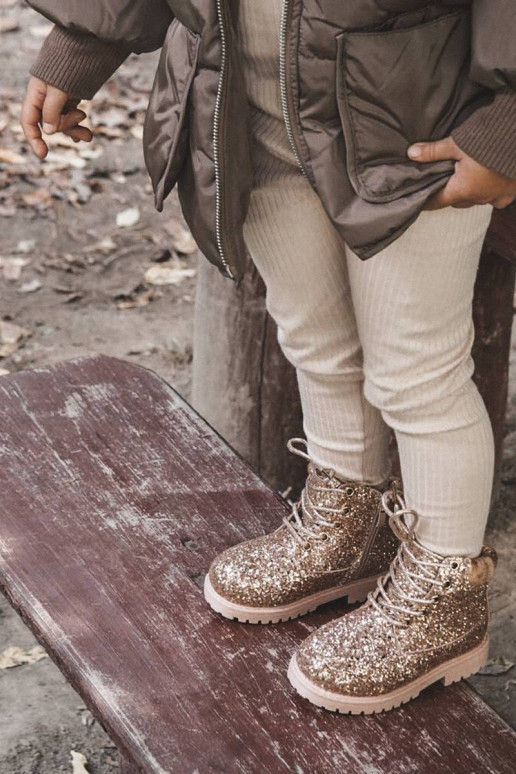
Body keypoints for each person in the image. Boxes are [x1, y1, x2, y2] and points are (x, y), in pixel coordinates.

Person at [22, 1, 516, 715]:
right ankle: (350, 522)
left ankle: (445, 592)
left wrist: (506, 127)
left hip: (411, 116)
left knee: (418, 372)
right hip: (243, 103)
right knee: (313, 335)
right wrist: (82, 41)